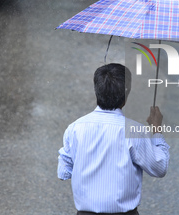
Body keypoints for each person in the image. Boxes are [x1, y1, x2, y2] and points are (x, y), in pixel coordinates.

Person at [57, 63, 170, 215]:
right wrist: (156, 129)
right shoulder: (134, 132)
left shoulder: (75, 128)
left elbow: (63, 172)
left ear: (97, 90)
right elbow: (159, 167)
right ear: (126, 96)